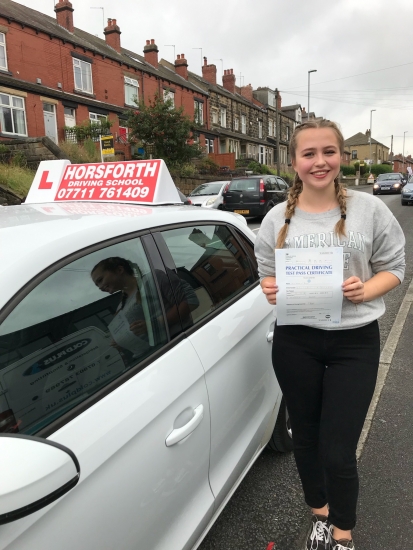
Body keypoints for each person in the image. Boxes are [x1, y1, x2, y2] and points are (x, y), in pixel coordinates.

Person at [255, 119, 405, 550]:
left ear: (341, 156)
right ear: (293, 162)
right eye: (309, 154)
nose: (319, 162)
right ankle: (320, 514)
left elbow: (395, 268)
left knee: (337, 450)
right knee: (305, 436)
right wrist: (269, 289)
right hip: (295, 341)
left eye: (328, 152)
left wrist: (365, 290)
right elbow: (266, 276)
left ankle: (342, 532)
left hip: (353, 342)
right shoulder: (274, 218)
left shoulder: (369, 210)